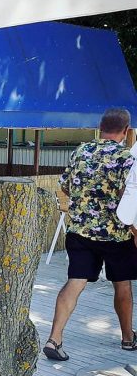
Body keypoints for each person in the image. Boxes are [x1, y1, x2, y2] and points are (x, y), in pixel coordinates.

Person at [43, 108, 137, 361]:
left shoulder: (81, 151)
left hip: (80, 231)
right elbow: (129, 198)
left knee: (75, 281)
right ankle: (128, 338)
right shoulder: (127, 158)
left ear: (100, 127)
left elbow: (65, 185)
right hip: (116, 234)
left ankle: (54, 339)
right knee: (122, 284)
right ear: (126, 131)